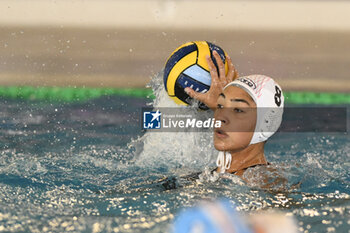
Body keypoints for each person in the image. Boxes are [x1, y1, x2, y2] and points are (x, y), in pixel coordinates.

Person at [184, 51, 284, 177]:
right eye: (220, 106)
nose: (220, 117)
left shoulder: (263, 182)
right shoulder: (217, 175)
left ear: (265, 124)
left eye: (238, 110)